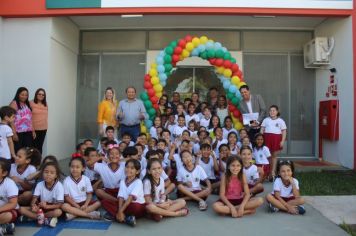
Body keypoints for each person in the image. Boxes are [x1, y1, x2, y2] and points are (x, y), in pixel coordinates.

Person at [19, 162, 64, 228]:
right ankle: (44, 219)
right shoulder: (39, 184)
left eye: (52, 173)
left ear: (56, 175)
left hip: (51, 208)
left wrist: (47, 207)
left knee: (58, 212)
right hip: (40, 207)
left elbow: (59, 204)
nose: (48, 174)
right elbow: (34, 199)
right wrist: (33, 206)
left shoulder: (59, 186)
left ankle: (34, 217)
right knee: (20, 209)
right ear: (42, 173)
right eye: (46, 172)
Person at [94, 145, 125, 221]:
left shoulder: (124, 165)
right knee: (98, 191)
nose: (114, 155)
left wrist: (121, 160)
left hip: (121, 192)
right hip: (109, 193)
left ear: (120, 155)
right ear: (107, 155)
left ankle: (114, 213)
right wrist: (100, 158)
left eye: (117, 153)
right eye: (111, 153)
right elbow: (88, 164)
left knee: (104, 202)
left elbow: (134, 159)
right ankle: (119, 203)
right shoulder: (102, 166)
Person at [116, 159, 146, 227]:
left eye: (132, 168)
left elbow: (130, 198)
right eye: (127, 167)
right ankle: (126, 218)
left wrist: (120, 211)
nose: (128, 169)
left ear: (137, 171)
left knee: (135, 207)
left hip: (136, 206)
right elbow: (121, 197)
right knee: (106, 202)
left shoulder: (138, 182)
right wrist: (120, 209)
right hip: (126, 205)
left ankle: (118, 216)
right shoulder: (122, 181)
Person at [260, 105, 287, 180]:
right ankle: (266, 173)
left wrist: (282, 141)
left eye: (274, 110)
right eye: (270, 110)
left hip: (276, 139)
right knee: (267, 156)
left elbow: (284, 131)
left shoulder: (281, 121)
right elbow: (262, 130)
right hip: (267, 139)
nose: (272, 112)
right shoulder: (266, 120)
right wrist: (261, 137)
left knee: (274, 157)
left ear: (277, 112)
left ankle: (273, 173)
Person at [9, 87, 35, 152]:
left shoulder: (27, 104)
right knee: (17, 150)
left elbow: (30, 118)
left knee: (27, 150)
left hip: (28, 131)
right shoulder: (14, 103)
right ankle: (16, 162)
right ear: (18, 94)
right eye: (22, 94)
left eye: (26, 95)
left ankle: (26, 162)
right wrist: (14, 133)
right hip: (18, 132)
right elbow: (11, 120)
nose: (24, 96)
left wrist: (33, 131)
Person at [0, 158, 19, 235]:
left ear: (4, 173)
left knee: (8, 216)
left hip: (7, 210)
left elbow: (13, 204)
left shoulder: (9, 184)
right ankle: (3, 229)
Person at [30, 88, 48, 154]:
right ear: (36, 94)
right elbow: (28, 118)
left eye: (43, 95)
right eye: (39, 94)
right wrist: (32, 130)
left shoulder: (45, 104)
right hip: (34, 129)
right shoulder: (31, 103)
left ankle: (38, 163)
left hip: (43, 129)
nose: (41, 96)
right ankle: (32, 163)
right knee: (33, 148)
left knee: (40, 147)